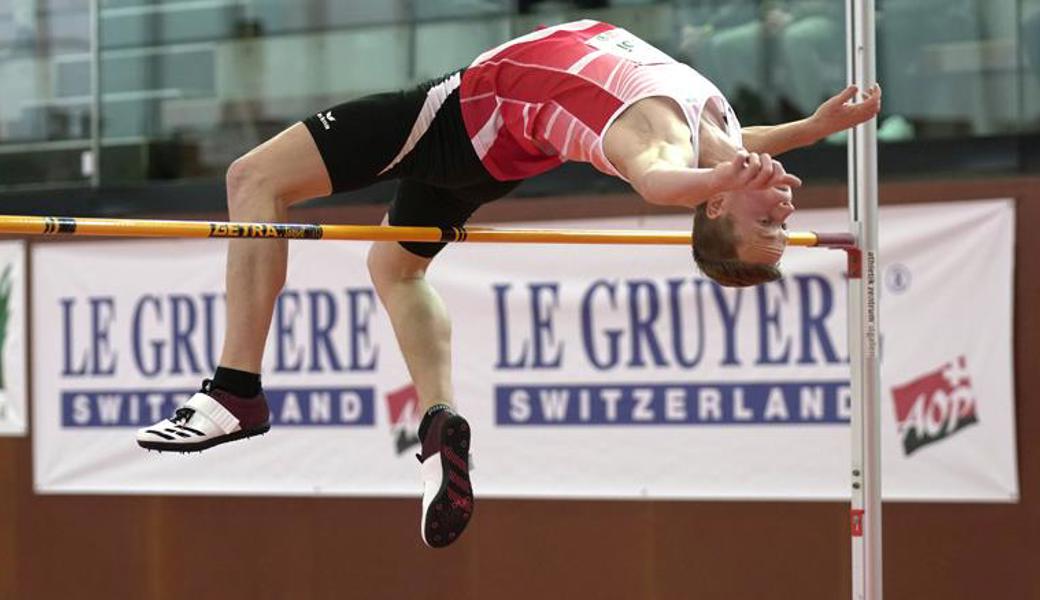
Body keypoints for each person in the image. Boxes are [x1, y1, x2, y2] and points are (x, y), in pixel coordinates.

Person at [135, 19, 881, 547]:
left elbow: (657, 179)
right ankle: (437, 425)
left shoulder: (660, 145)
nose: (787, 207)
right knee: (395, 265)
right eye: (784, 224)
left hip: (463, 115)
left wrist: (709, 178)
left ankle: (235, 390)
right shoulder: (714, 129)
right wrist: (804, 132)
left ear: (716, 201)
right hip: (498, 149)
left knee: (253, 178)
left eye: (769, 225)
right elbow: (720, 147)